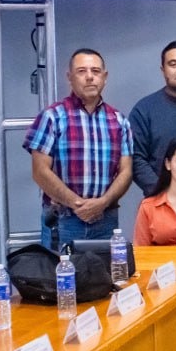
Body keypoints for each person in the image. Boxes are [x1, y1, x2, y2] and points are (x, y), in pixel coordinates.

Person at [24, 48, 134, 250]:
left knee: (106, 279)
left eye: (96, 71)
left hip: (106, 221)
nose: (90, 77)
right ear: (70, 78)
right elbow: (40, 172)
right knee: (61, 279)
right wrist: (78, 205)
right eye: (82, 71)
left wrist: (102, 202)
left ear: (105, 77)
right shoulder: (52, 117)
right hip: (64, 221)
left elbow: (126, 171)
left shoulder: (119, 121)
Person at [128, 40, 176, 194]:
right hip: (160, 203)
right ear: (163, 70)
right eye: (173, 64)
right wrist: (164, 192)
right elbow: (136, 159)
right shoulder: (144, 110)